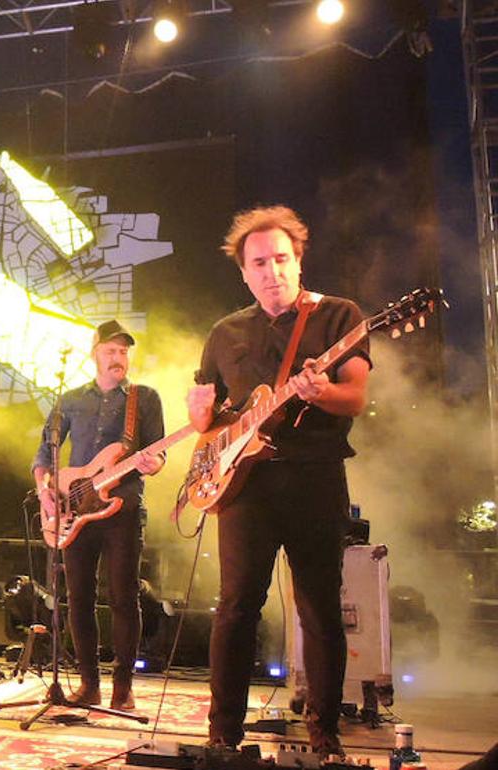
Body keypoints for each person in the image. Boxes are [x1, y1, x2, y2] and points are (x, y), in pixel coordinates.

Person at [186, 205, 370, 756]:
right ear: (244, 273)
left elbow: (355, 397)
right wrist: (200, 418)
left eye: (282, 259)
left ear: (299, 260)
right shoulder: (225, 333)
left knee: (320, 608)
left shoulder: (337, 316)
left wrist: (322, 392)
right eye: (260, 263)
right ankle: (223, 733)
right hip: (247, 488)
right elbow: (211, 420)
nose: (273, 271)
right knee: (236, 606)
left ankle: (324, 733)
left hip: (315, 479)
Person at [32, 320, 165, 711]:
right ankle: (89, 684)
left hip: (123, 509)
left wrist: (154, 462)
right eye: (111, 351)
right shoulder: (71, 399)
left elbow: (158, 453)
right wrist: (45, 492)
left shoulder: (144, 398)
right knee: (79, 598)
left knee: (124, 597)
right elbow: (44, 455)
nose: (118, 357)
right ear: (95, 355)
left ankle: (123, 687)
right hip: (76, 510)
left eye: (123, 351)